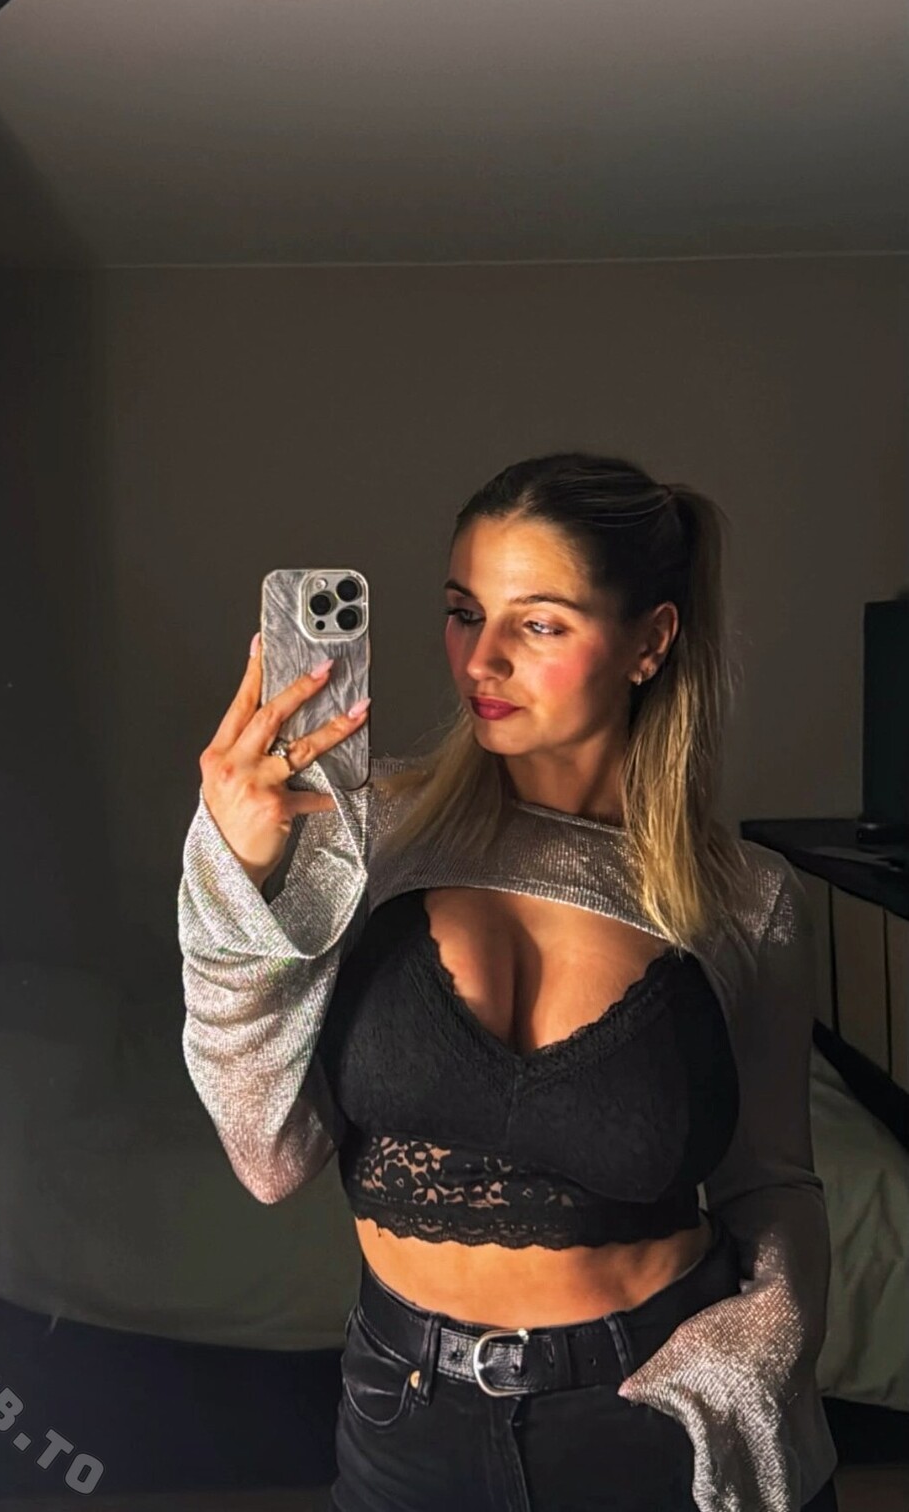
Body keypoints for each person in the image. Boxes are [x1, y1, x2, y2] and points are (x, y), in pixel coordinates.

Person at [178, 451, 840, 1512]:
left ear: (650, 641)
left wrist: (758, 1346)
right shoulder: (367, 836)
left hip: (651, 1410)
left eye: (537, 624)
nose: (481, 659)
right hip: (403, 1415)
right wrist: (232, 884)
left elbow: (772, 1182)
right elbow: (267, 1154)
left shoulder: (743, 899)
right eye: (462, 612)